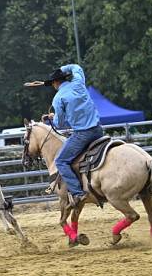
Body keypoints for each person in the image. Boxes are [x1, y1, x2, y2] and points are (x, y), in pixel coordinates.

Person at [24, 64, 103, 207]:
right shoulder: (78, 83)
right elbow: (77, 68)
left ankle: (78, 193)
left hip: (82, 134)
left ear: (55, 83)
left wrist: (51, 118)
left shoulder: (58, 98)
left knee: (60, 161)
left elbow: (59, 124)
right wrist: (62, 68)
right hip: (98, 130)